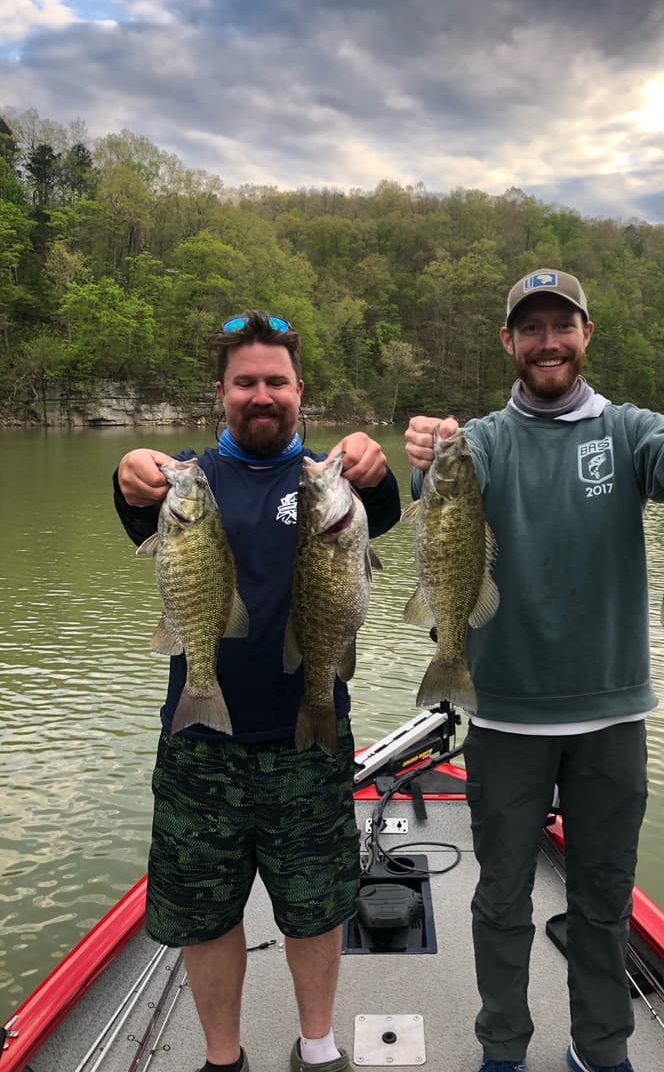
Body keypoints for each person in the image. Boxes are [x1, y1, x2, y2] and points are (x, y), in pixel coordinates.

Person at [404, 269, 664, 1072]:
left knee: (603, 902)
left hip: (612, 717)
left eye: (561, 325)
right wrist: (429, 455)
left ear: (586, 334)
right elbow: (441, 502)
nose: (547, 342)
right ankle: (502, 1048)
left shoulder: (628, 430)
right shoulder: (488, 439)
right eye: (530, 328)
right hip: (502, 715)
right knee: (500, 901)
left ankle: (599, 1049)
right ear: (509, 341)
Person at [114, 310, 400, 1072]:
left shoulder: (331, 484)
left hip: (308, 738)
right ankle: (221, 1057)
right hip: (199, 747)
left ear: (300, 390)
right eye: (247, 382)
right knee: (205, 915)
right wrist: (128, 472)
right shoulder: (191, 480)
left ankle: (318, 1046)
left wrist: (376, 469)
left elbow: (387, 509)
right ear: (222, 393)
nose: (262, 394)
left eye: (276, 380)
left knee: (315, 908)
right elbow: (140, 496)